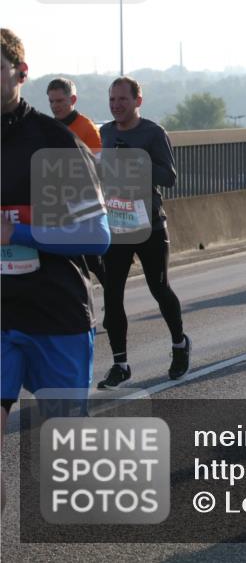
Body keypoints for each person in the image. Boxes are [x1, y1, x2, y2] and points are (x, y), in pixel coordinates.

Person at [2, 28, 110, 443]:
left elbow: (96, 236)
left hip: (54, 310)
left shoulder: (53, 142)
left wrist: (18, 232)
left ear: (21, 72)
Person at [97, 77, 190, 388]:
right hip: (117, 222)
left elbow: (169, 177)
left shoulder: (153, 132)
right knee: (112, 295)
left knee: (159, 288)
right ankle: (120, 364)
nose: (116, 105)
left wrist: (138, 163)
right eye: (112, 99)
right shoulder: (106, 132)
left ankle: (179, 345)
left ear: (138, 101)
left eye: (122, 99)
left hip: (149, 222)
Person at [47, 77, 105, 286]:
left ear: (72, 100)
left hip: (84, 203)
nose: (55, 106)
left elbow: (99, 168)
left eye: (60, 101)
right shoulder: (49, 126)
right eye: (51, 101)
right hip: (59, 203)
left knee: (93, 262)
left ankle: (113, 299)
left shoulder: (86, 128)